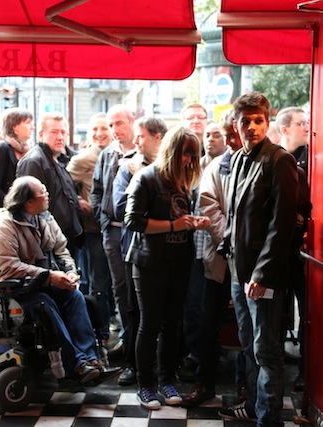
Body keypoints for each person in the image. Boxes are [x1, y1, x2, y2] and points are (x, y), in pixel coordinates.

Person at [0, 175, 122, 384]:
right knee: (45, 306)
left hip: (46, 283)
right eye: (43, 192)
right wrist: (49, 276)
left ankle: (92, 360)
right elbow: (8, 267)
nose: (47, 195)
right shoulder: (4, 225)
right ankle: (76, 364)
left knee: (76, 297)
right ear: (29, 201)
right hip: (20, 290)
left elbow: (61, 250)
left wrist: (70, 272)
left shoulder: (45, 218)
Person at [218, 92, 298, 427]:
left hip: (262, 275)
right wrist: (226, 248)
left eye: (258, 120)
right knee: (249, 345)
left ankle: (269, 419)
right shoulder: (238, 158)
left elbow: (282, 225)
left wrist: (261, 274)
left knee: (266, 350)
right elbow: (235, 214)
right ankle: (253, 407)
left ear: (267, 121)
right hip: (239, 271)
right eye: (245, 121)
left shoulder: (279, 160)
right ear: (235, 125)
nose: (251, 127)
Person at [124, 126, 211, 410]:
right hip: (150, 262)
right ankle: (146, 386)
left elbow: (180, 218)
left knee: (172, 325)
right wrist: (175, 225)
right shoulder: (147, 177)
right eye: (186, 154)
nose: (189, 160)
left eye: (193, 155)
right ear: (173, 151)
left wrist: (193, 223)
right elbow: (133, 221)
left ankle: (166, 381)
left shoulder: (184, 180)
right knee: (149, 325)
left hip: (179, 260)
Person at [181, 109, 244, 407]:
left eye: (234, 134)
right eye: (227, 134)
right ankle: (204, 382)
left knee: (248, 326)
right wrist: (232, 243)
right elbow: (209, 207)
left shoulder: (268, 164)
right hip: (219, 257)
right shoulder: (216, 167)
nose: (232, 140)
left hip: (252, 261)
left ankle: (246, 386)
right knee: (209, 323)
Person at [112, 116, 168, 386]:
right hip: (135, 249)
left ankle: (165, 367)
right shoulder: (128, 168)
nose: (135, 141)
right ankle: (133, 365)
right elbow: (120, 209)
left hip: (167, 252)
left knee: (167, 313)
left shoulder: (171, 169)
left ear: (158, 138)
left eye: (140, 135)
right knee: (135, 311)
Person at [178, 120, 227, 382]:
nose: (210, 139)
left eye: (216, 134)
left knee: (212, 308)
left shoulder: (227, 167)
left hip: (218, 248)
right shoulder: (193, 168)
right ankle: (196, 354)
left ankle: (212, 355)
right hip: (193, 249)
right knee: (192, 306)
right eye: (207, 135)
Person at [90, 104, 136, 360]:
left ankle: (139, 343)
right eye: (111, 124)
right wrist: (103, 219)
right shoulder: (107, 154)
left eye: (119, 123)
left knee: (137, 288)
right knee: (120, 289)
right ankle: (127, 342)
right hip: (112, 232)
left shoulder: (143, 152)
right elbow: (96, 190)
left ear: (132, 121)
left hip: (137, 233)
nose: (114, 129)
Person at [66, 112, 113, 348]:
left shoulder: (119, 155)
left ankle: (109, 329)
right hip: (93, 231)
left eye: (104, 128)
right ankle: (99, 333)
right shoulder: (82, 159)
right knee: (97, 283)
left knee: (112, 285)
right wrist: (78, 201)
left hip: (117, 230)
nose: (99, 133)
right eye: (94, 129)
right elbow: (63, 187)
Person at [275, 106, 312, 391]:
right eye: (301, 123)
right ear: (285, 128)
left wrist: (304, 217)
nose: (307, 127)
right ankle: (274, 366)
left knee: (307, 313)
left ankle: (305, 371)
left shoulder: (314, 158)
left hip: (305, 249)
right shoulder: (274, 158)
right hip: (278, 249)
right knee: (276, 311)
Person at [16, 112, 84, 257]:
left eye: (63, 132)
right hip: (48, 243)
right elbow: (31, 206)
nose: (60, 137)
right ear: (41, 135)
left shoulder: (58, 160)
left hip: (66, 238)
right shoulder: (34, 161)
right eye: (54, 132)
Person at [0, 107, 34, 220]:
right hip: (4, 216)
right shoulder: (2, 148)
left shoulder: (30, 150)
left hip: (24, 215)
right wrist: (13, 207)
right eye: (28, 123)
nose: (32, 127)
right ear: (15, 127)